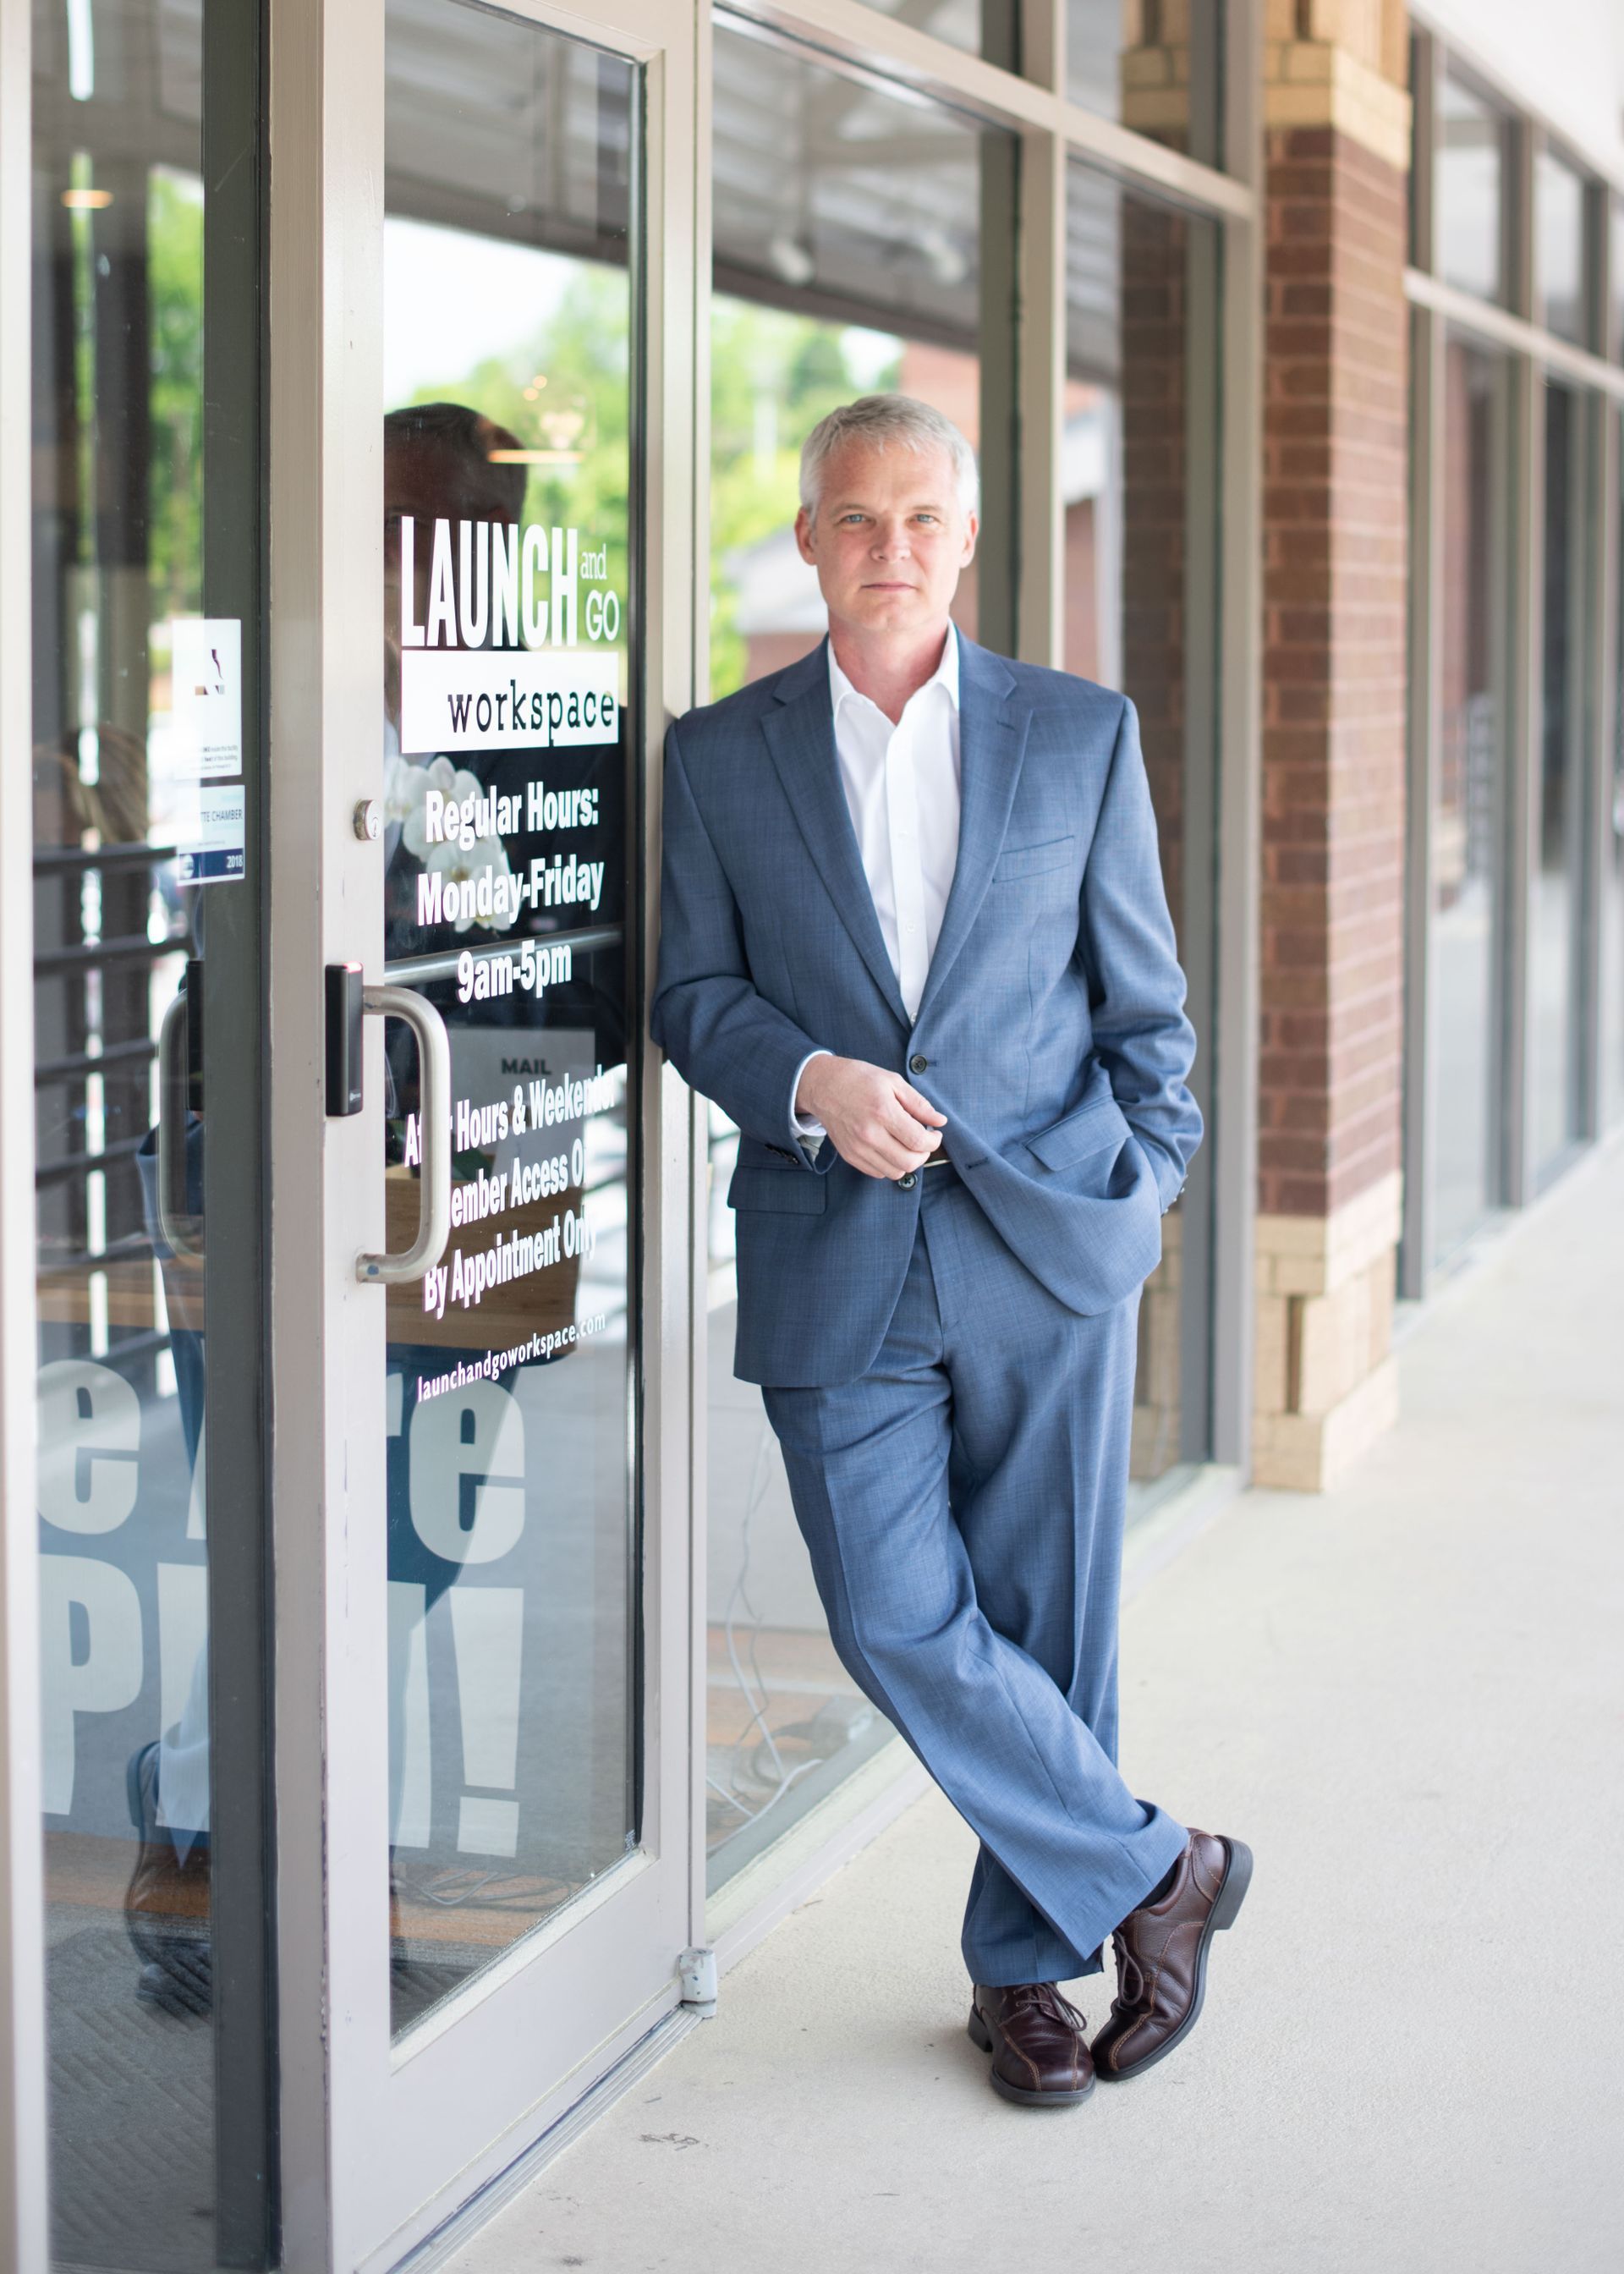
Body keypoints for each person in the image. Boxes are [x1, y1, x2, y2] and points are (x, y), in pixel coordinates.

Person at [652, 393, 1249, 2107]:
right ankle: (1166, 1873)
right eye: (857, 519)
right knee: (901, 1616)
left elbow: (1148, 1009)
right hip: (831, 1250)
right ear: (808, 540)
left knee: (1053, 1627)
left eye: (923, 520)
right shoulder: (721, 754)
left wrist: (1143, 1204)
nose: (891, 550)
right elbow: (691, 996)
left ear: (969, 542)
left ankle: (1023, 1985)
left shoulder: (1081, 736)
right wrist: (811, 1081)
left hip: (1052, 1248)